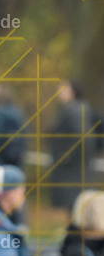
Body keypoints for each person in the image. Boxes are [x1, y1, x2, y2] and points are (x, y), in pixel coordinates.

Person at [49, 80, 99, 216]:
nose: (59, 93)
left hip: (73, 170)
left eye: (63, 89)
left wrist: (66, 155)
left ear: (71, 91)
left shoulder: (74, 110)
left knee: (75, 205)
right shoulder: (78, 109)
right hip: (76, 169)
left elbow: (83, 137)